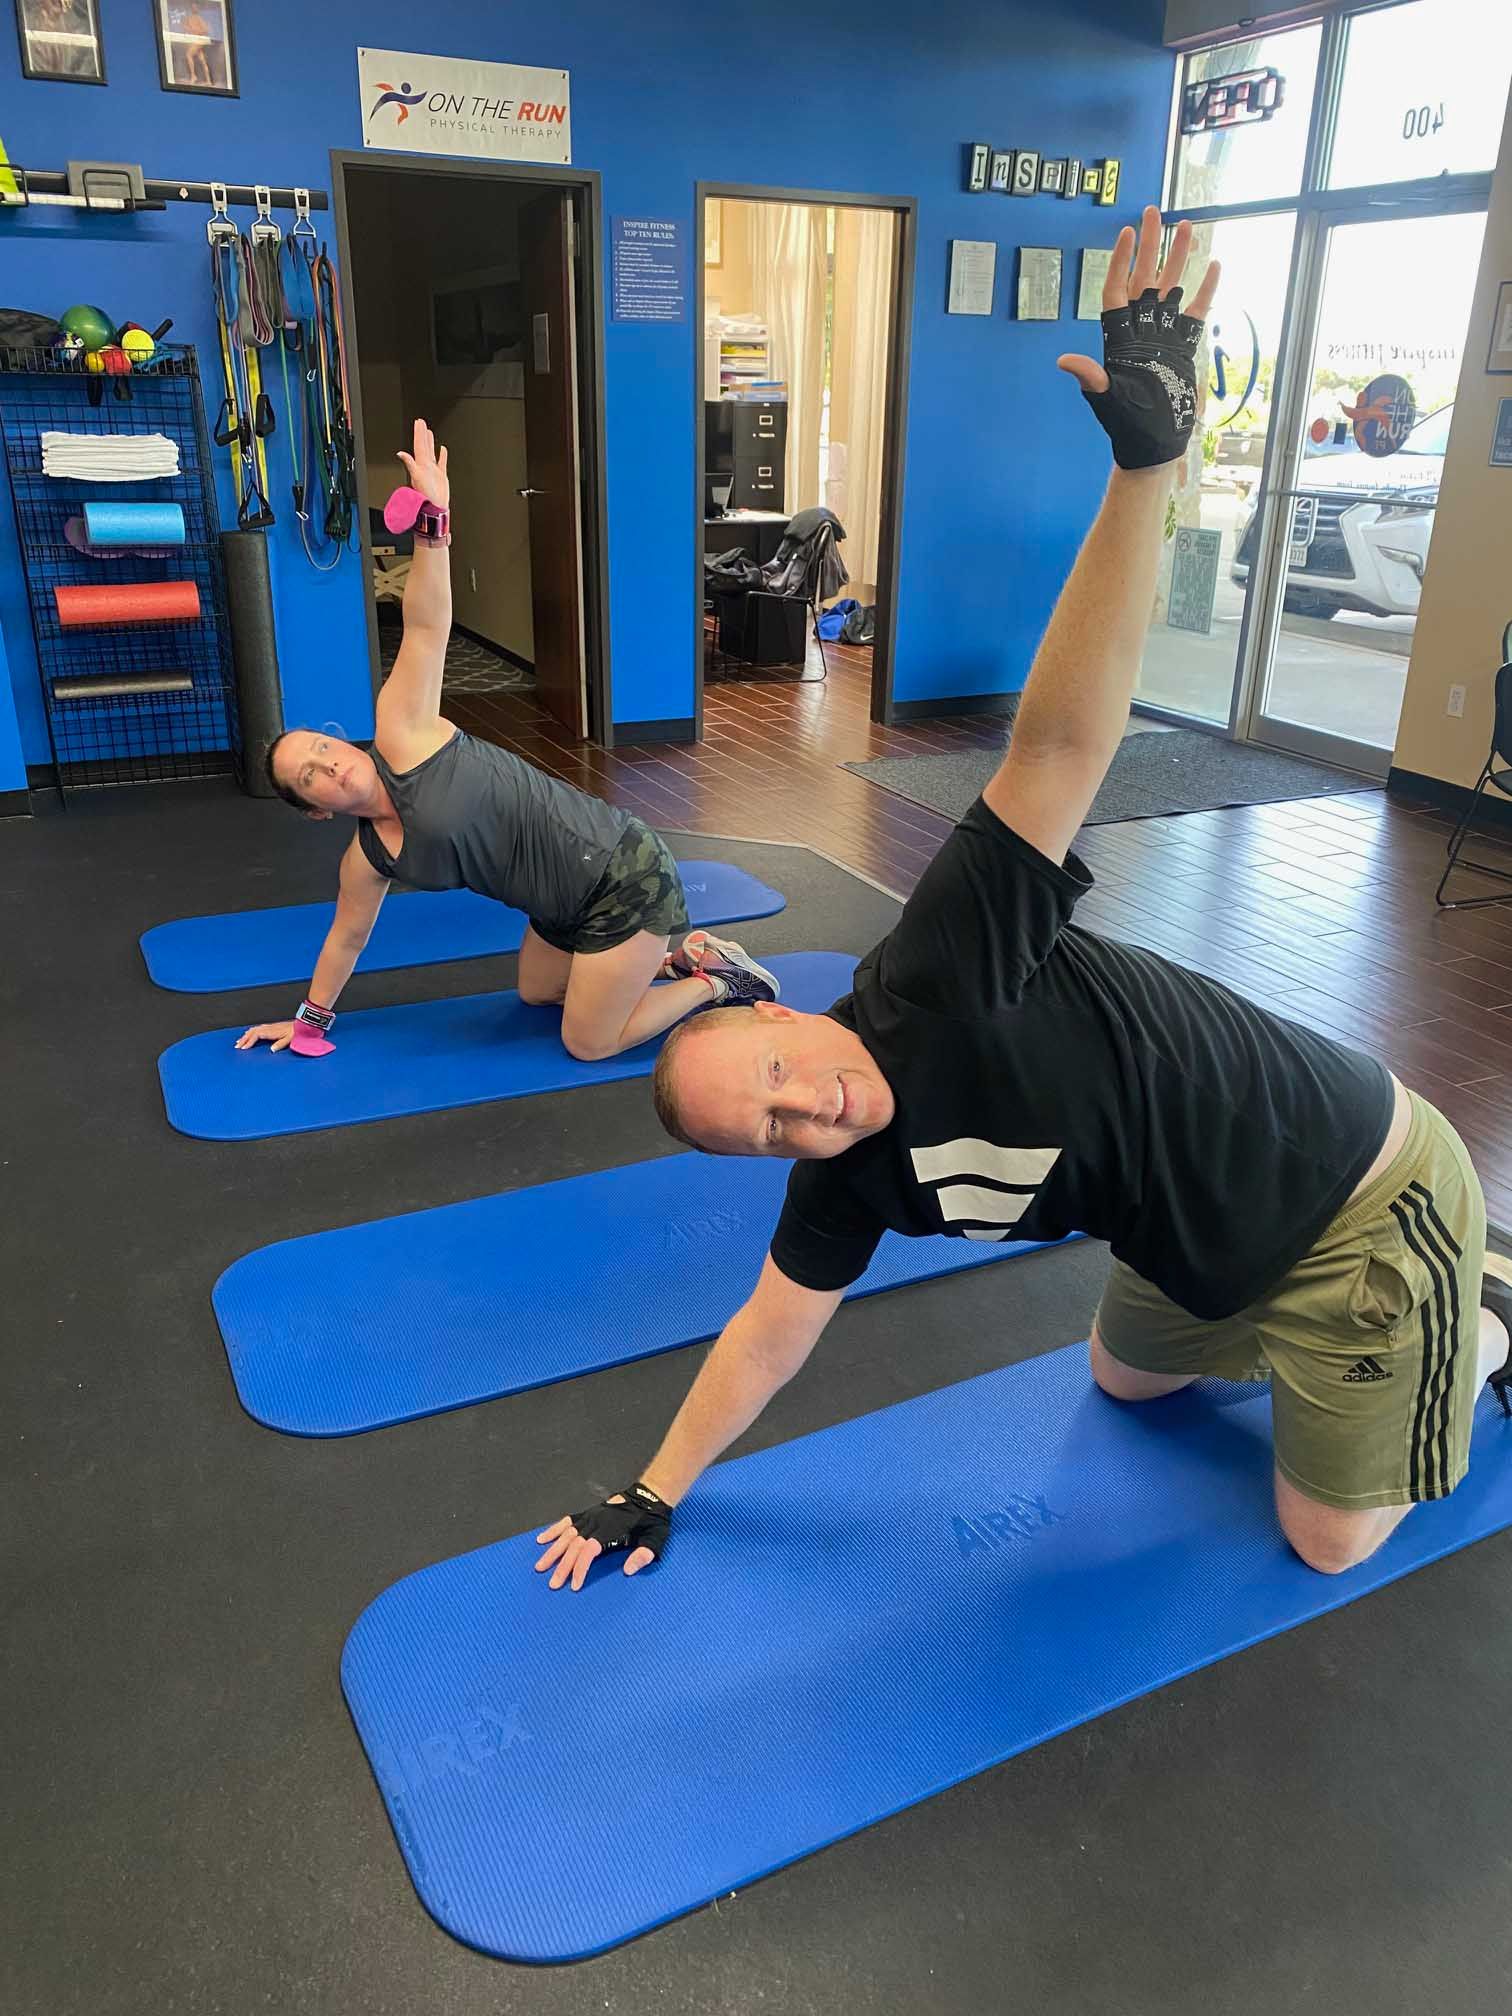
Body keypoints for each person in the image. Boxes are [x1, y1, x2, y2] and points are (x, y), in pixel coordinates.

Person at [535, 207, 1512, 1593]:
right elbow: (769, 1329)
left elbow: (1058, 749)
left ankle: (1471, 1331)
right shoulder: (844, 1173)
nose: (805, 1111)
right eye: (768, 1134)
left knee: (1326, 1540)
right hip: (1196, 1236)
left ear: (787, 1012)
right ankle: (1316, 1360)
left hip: (1348, 1186)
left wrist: (1148, 471)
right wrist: (652, 1490)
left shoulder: (938, 974)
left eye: (776, 1075)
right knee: (1123, 1385)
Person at [239, 420, 776, 1065]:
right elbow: (345, 941)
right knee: (535, 993)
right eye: (309, 777)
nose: (329, 764)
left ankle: (718, 981)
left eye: (322, 748)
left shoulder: (404, 733)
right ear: (317, 810)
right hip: (558, 908)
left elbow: (427, 624)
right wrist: (305, 1025)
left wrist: (434, 519)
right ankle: (665, 960)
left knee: (588, 1041)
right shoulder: (368, 860)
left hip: (620, 873)